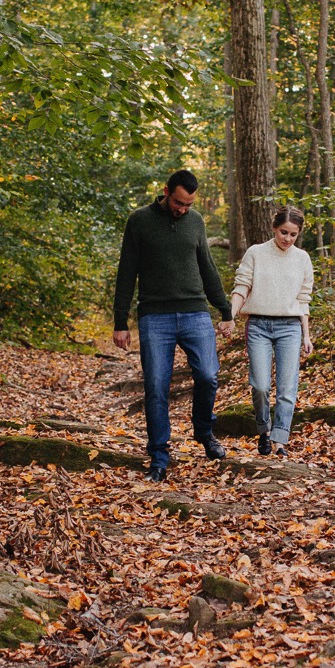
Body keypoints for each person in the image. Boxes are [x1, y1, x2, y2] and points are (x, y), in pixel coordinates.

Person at [113, 170, 235, 481]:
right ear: (166, 192)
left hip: (195, 312)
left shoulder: (195, 222)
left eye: (189, 204)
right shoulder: (139, 220)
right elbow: (126, 271)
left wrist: (225, 310)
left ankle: (204, 432)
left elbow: (207, 267)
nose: (183, 209)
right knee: (155, 387)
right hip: (155, 317)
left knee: (208, 376)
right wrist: (120, 321)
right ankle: (158, 456)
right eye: (179, 202)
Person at [230, 206, 314, 457]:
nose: (287, 239)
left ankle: (280, 441)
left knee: (287, 388)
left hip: (290, 327)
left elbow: (303, 299)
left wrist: (306, 334)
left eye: (293, 234)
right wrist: (230, 316)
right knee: (260, 385)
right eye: (283, 232)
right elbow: (242, 286)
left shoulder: (302, 259)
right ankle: (263, 430)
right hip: (258, 326)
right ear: (274, 228)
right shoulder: (256, 253)